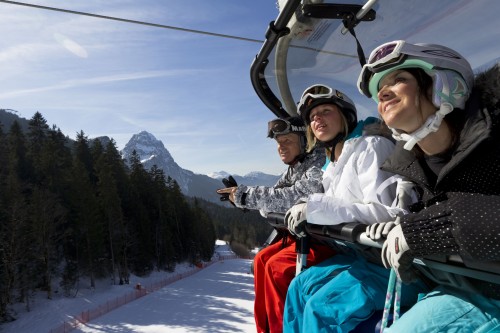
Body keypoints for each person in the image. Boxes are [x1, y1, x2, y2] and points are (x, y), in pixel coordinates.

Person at [358, 40, 500, 331]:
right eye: (379, 89)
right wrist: (406, 225)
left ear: (445, 86)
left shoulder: (494, 140)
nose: (383, 92)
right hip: (464, 291)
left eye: (399, 79)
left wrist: (425, 229)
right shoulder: (414, 171)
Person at [282, 84, 427, 333]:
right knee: (297, 288)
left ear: (346, 116)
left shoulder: (371, 147)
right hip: (361, 255)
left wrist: (316, 207)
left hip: (390, 264)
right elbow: (340, 207)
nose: (317, 119)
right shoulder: (334, 164)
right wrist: (309, 207)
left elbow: (384, 213)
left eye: (325, 111)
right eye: (312, 117)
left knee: (321, 310)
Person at [217, 116, 335, 333]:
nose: (281, 148)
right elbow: (275, 198)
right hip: (303, 235)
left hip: (324, 238)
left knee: (276, 268)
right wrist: (242, 198)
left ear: (305, 140)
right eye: (278, 143)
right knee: (262, 259)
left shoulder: (318, 161)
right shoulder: (294, 166)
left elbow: (297, 195)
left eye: (287, 141)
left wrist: (247, 197)